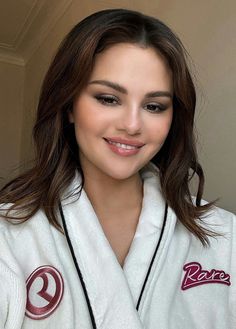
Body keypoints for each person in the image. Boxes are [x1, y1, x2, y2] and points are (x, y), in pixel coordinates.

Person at [0, 8, 235, 329]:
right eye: (108, 98)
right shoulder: (9, 236)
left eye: (154, 106)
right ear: (69, 105)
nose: (132, 124)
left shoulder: (227, 237)